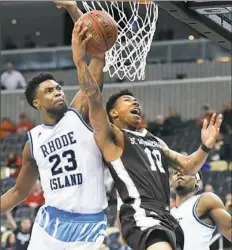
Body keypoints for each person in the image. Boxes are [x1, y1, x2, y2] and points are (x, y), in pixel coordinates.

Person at [73, 19, 223, 250]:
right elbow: (93, 96)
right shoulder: (113, 136)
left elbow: (188, 166)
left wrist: (205, 147)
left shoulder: (154, 141)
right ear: (112, 113)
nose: (134, 102)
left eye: (135, 100)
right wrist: (81, 61)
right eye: (127, 100)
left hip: (166, 216)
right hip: (140, 213)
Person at [1, 2, 107, 250]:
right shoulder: (33, 141)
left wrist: (73, 10)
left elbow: (99, 56)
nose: (58, 92)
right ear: (36, 102)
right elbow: (18, 192)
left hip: (90, 224)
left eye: (58, 88)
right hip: (51, 222)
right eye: (49, 91)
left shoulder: (78, 113)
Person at [171, 171, 232, 250]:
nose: (179, 174)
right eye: (175, 173)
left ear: (197, 181)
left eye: (185, 172)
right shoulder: (168, 213)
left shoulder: (205, 200)